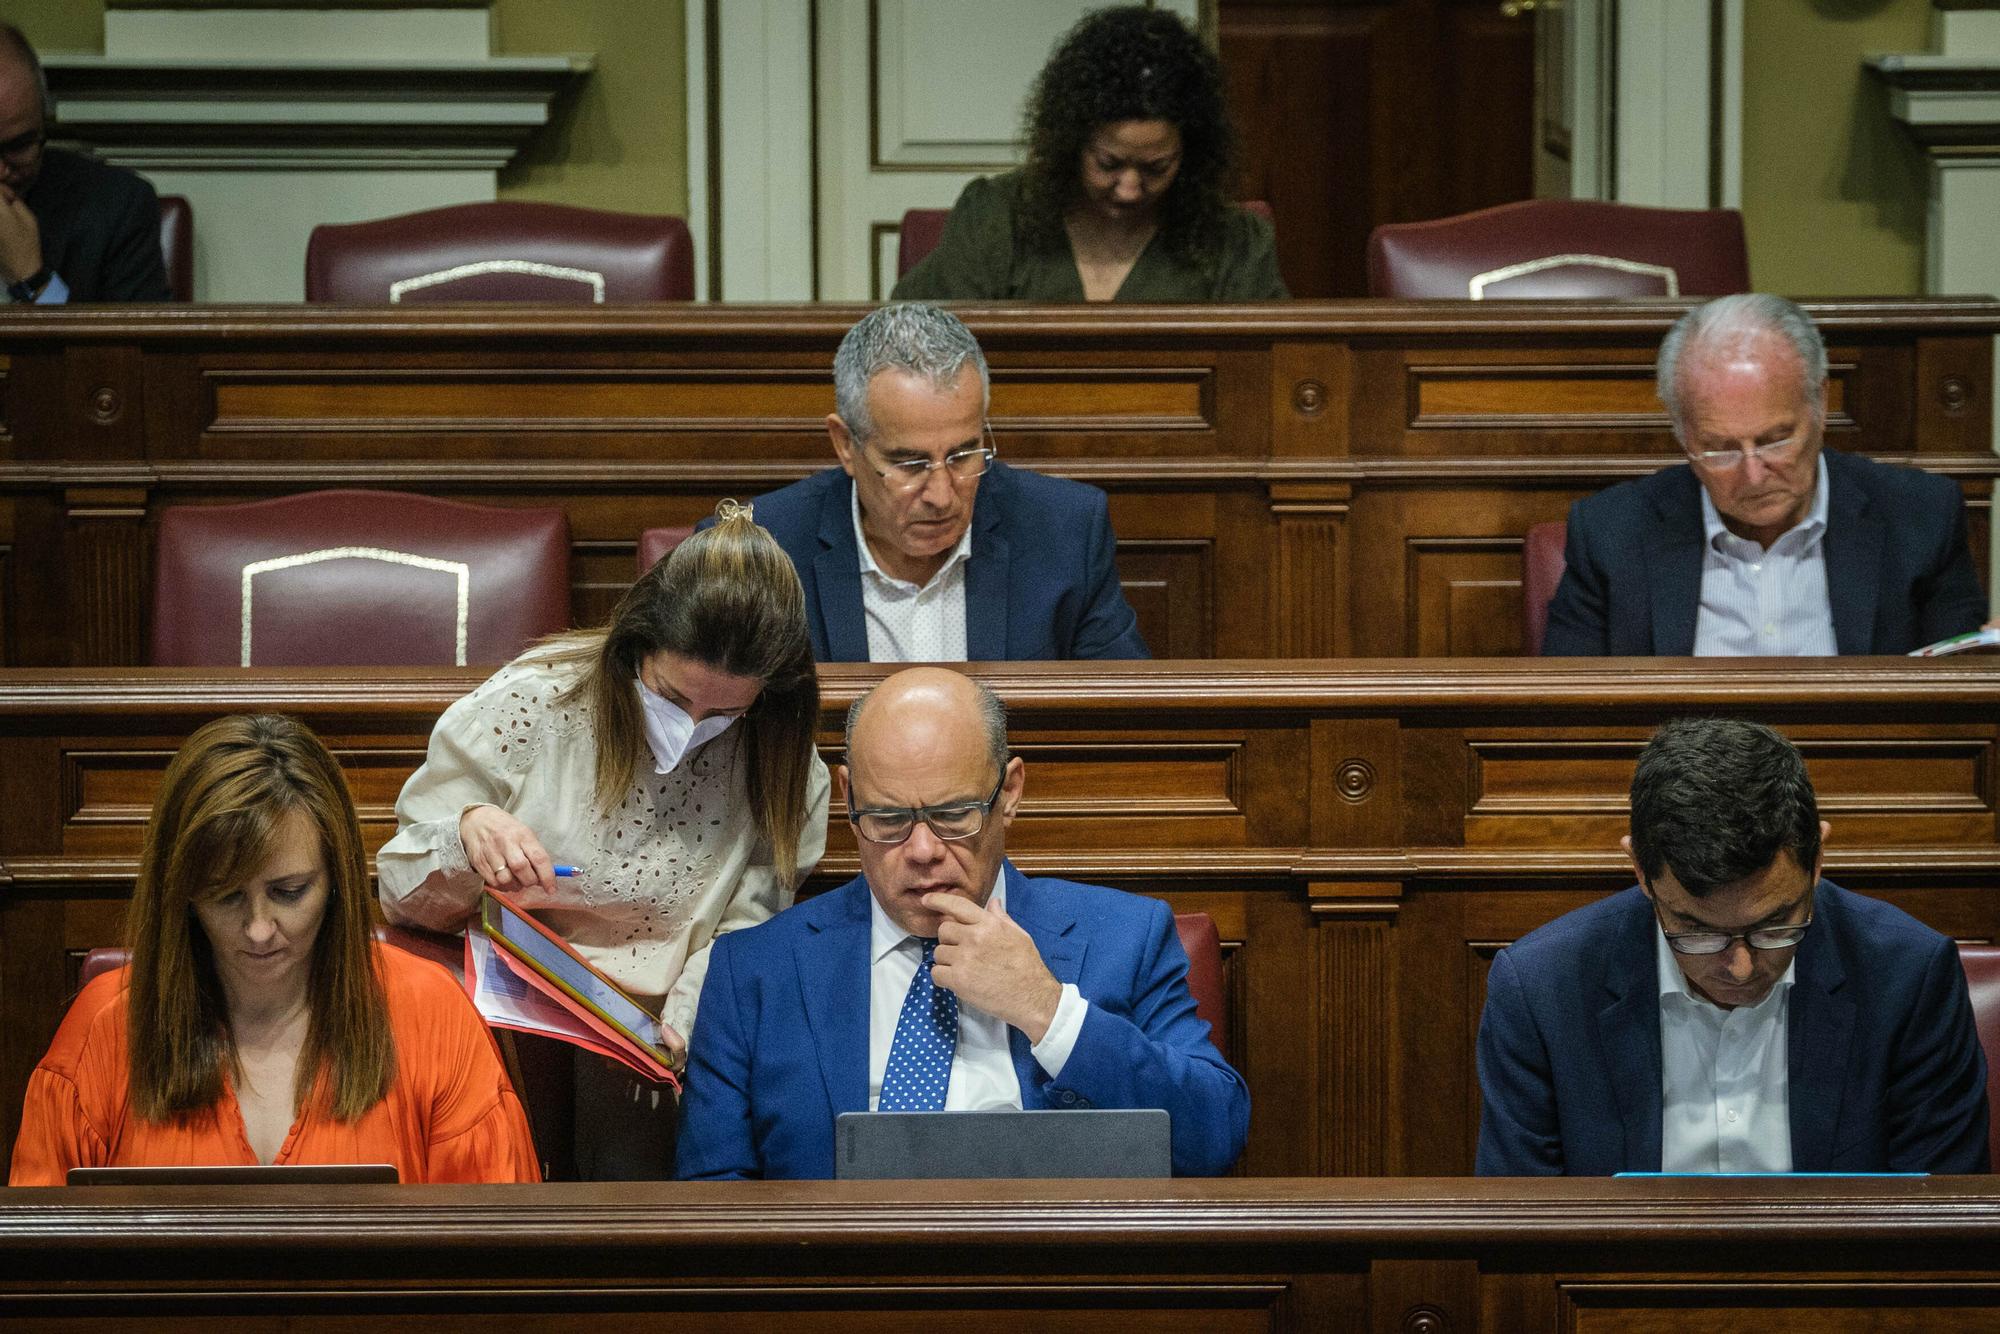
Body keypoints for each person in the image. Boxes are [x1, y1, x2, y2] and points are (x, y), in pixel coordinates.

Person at [377, 501, 830, 1179]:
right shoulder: (536, 705)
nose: (692, 726)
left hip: (655, 1032)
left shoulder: (784, 761)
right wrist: (467, 836)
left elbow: (745, 931)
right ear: (637, 646)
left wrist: (681, 1026)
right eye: (674, 699)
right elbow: (399, 894)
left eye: (724, 713)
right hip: (503, 1008)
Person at [675, 666, 1248, 1180]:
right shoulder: (752, 972)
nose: (923, 850)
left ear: (1011, 793)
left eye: (952, 815)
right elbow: (713, 1201)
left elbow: (1212, 1138)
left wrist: (1047, 1011)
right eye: (889, 818)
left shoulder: (1127, 937)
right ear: (848, 797)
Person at [10, 714, 538, 1185]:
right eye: (226, 896)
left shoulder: (432, 1014)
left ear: (336, 879)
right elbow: (41, 1273)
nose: (259, 929)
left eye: (289, 892)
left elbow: (494, 1262)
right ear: (184, 894)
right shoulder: (104, 1027)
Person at [1475, 717, 1988, 1176]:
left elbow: (1938, 1227)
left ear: (1817, 861)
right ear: (1640, 872)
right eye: (1696, 931)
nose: (1741, 967)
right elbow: (1526, 1238)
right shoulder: (1542, 989)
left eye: (1776, 923)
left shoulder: (1909, 974)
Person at [1543, 294, 1992, 655]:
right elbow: (1567, 717)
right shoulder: (1610, 533)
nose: (1754, 475)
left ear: (1819, 402)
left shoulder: (1921, 517)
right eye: (1719, 449)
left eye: (1776, 439)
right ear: (1681, 434)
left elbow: (1952, 711)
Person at [745, 302, 1149, 662]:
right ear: (845, 445)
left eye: (962, 456)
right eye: (910, 463)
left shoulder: (1067, 532)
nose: (941, 496)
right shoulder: (758, 553)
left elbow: (1121, 720)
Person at [892, 6, 1284, 303]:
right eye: (1108, 164)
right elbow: (911, 345)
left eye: (1156, 168)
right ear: (1072, 143)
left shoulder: (1234, 243)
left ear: (1192, 155)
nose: (1129, 189)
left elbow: (1271, 372)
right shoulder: (997, 218)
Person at [0, 24, 169, 304]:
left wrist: (33, 282)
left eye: (18, 147)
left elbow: (129, 349)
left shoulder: (116, 209)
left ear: (44, 122)